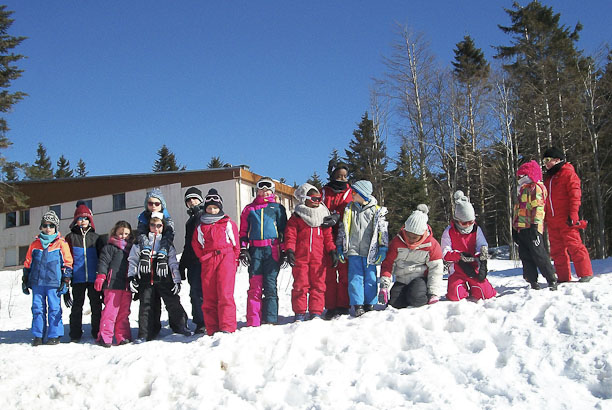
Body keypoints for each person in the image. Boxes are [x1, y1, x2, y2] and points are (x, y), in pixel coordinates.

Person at [128, 211, 190, 342]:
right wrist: (131, 276)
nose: (155, 229)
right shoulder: (140, 243)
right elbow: (133, 260)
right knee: (146, 306)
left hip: (164, 279)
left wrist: (176, 281)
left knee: (173, 303)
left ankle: (180, 326)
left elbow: (173, 263)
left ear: (163, 227)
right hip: (146, 280)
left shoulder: (166, 244)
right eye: (152, 225)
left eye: (159, 226)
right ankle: (144, 333)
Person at [284, 183, 338, 321]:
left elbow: (328, 238)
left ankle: (316, 311)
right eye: (314, 199)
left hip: (319, 259)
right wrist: (289, 250)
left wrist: (332, 251)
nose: (317, 202)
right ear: (304, 199)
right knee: (300, 286)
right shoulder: (297, 217)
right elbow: (290, 236)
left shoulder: (323, 217)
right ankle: (300, 312)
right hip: (300, 258)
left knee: (318, 285)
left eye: (319, 199)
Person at [239, 176, 287, 326]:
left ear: (272, 191)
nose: (264, 192)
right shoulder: (249, 209)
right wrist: (243, 249)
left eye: (268, 189)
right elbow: (243, 231)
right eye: (261, 189)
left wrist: (284, 251)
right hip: (255, 251)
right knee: (255, 286)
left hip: (272, 250)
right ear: (257, 190)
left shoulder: (277, 208)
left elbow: (284, 231)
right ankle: (254, 320)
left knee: (270, 285)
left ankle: (271, 318)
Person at [336, 180, 389, 317]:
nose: (352, 195)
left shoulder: (376, 210)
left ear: (363, 194)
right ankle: (358, 304)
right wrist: (340, 246)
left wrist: (383, 247)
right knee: (355, 278)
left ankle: (369, 303)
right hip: (353, 250)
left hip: (369, 251)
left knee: (371, 278)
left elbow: (382, 230)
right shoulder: (349, 209)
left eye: (354, 192)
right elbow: (343, 229)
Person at [191, 189, 240, 335]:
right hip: (209, 261)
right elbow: (197, 245)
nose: (212, 211)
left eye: (215, 208)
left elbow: (235, 243)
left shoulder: (228, 223)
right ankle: (212, 328)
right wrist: (203, 257)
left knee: (225, 293)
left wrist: (234, 259)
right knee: (209, 295)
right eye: (209, 208)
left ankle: (227, 327)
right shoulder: (201, 226)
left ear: (220, 208)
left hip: (226, 258)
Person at [542, 147, 594, 283]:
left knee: (574, 245)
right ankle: (563, 277)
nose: (545, 164)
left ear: (557, 159)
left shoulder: (567, 173)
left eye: (547, 160)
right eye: (544, 161)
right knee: (557, 250)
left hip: (566, 219)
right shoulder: (549, 179)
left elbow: (575, 195)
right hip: (553, 221)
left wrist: (573, 214)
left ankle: (585, 273)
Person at [21, 211, 73, 346]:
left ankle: (54, 335)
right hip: (37, 282)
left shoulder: (61, 244)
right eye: (45, 225)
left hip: (53, 283)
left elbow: (68, 262)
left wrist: (66, 280)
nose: (48, 228)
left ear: (56, 227)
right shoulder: (34, 245)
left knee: (54, 309)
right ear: (41, 227)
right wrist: (25, 279)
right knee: (37, 308)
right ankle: (38, 335)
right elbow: (28, 262)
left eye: (51, 226)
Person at [380, 204, 443, 308]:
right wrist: (384, 286)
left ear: (422, 234)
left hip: (420, 278)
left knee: (416, 297)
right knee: (395, 303)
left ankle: (421, 297)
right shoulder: (397, 242)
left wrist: (433, 293)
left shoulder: (431, 245)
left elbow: (436, 269)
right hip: (402, 279)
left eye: (415, 237)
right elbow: (388, 264)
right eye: (408, 235)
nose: (410, 239)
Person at [442, 191, 497, 301]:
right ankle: (462, 288)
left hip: (474, 267)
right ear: (457, 220)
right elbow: (445, 253)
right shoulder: (449, 232)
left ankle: (474, 287)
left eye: (470, 222)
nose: (468, 226)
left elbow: (482, 245)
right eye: (464, 223)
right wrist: (459, 256)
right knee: (455, 295)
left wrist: (483, 259)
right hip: (457, 269)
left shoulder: (476, 229)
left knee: (486, 294)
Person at [512, 160, 558, 290]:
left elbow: (538, 208)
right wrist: (515, 228)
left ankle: (551, 278)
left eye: (522, 176)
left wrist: (535, 226)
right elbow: (518, 211)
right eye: (519, 176)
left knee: (539, 254)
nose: (519, 178)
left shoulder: (535, 188)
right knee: (525, 255)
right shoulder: (522, 189)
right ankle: (532, 280)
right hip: (522, 228)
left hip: (532, 228)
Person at [65, 201, 105, 342]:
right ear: (75, 220)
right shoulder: (70, 238)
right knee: (77, 306)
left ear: (90, 220)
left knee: (96, 305)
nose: (82, 221)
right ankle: (75, 334)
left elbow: (103, 258)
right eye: (80, 218)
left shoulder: (96, 238)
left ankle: (97, 331)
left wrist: (103, 277)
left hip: (94, 279)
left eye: (85, 218)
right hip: (77, 279)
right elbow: (66, 259)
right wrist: (66, 279)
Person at [320, 162, 352, 319]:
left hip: (344, 237)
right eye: (339, 176)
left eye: (345, 176)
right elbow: (316, 207)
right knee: (330, 274)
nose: (342, 179)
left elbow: (352, 208)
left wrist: (339, 215)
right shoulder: (324, 192)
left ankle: (344, 304)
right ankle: (331, 306)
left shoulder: (350, 192)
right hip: (327, 236)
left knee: (344, 272)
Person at [94, 221, 134, 347]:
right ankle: (105, 336)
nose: (123, 236)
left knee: (124, 312)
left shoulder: (131, 249)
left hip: (126, 285)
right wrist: (101, 276)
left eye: (126, 234)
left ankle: (122, 336)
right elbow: (103, 263)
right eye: (121, 233)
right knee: (110, 312)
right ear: (115, 232)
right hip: (112, 284)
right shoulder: (109, 247)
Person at [178, 187, 206, 334]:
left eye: (194, 198)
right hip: (193, 263)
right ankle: (200, 321)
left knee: (202, 292)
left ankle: (205, 321)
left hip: (204, 261)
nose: (191, 202)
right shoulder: (190, 221)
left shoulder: (204, 216)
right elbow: (188, 244)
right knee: (195, 293)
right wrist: (182, 265)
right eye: (188, 200)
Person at [136, 188, 175, 277]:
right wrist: (145, 250)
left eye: (157, 203)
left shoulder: (166, 217)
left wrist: (163, 252)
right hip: (147, 252)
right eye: (150, 203)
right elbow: (141, 234)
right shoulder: (143, 218)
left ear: (161, 205)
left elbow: (169, 234)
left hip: (163, 251)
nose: (153, 206)